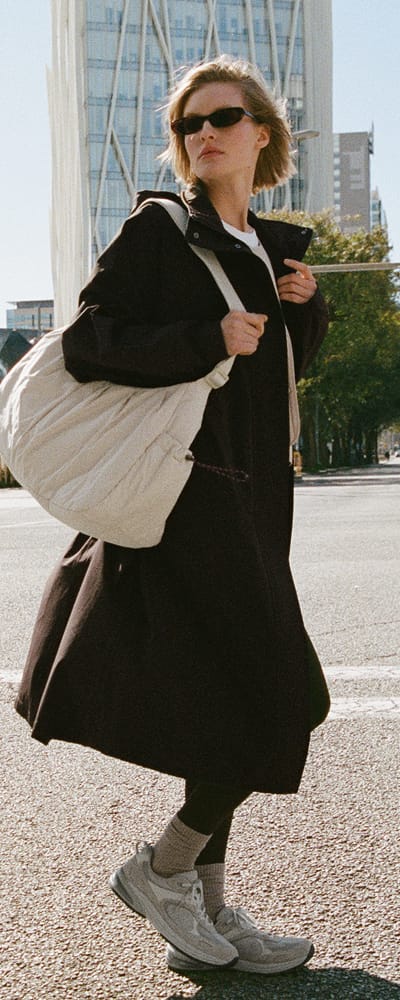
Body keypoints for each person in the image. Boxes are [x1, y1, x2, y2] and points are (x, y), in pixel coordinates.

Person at [16, 56, 330, 975]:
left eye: (224, 118)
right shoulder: (160, 231)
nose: (205, 134)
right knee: (285, 696)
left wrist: (305, 310)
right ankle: (162, 870)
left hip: (255, 499)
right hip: (192, 503)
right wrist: (203, 336)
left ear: (262, 133)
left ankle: (208, 908)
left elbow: (272, 381)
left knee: (227, 702)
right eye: (191, 124)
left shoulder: (266, 250)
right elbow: (89, 340)